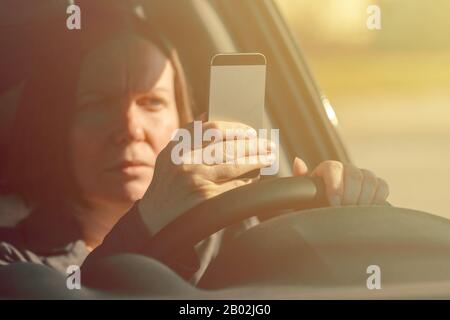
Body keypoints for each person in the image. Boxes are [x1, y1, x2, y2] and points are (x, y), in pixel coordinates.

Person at [0, 6, 389, 285]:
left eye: (152, 103)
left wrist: (328, 219)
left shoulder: (240, 233)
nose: (129, 128)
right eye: (98, 104)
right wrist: (149, 221)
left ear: (182, 121)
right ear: (56, 127)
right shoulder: (12, 258)